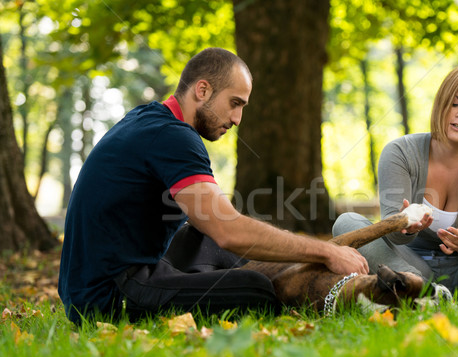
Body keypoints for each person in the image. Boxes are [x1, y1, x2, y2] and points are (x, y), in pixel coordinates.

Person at [59, 47, 368, 325]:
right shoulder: (174, 136)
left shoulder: (149, 120)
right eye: (235, 103)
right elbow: (229, 230)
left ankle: (345, 286)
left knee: (211, 242)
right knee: (255, 289)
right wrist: (323, 251)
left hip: (101, 278)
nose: (237, 119)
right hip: (107, 297)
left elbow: (212, 224)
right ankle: (324, 292)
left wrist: (293, 249)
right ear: (203, 90)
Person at [333, 64, 458, 308]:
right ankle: (421, 291)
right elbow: (392, 234)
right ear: (441, 104)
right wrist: (405, 227)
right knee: (346, 222)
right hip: (411, 267)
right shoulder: (400, 153)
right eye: (455, 104)